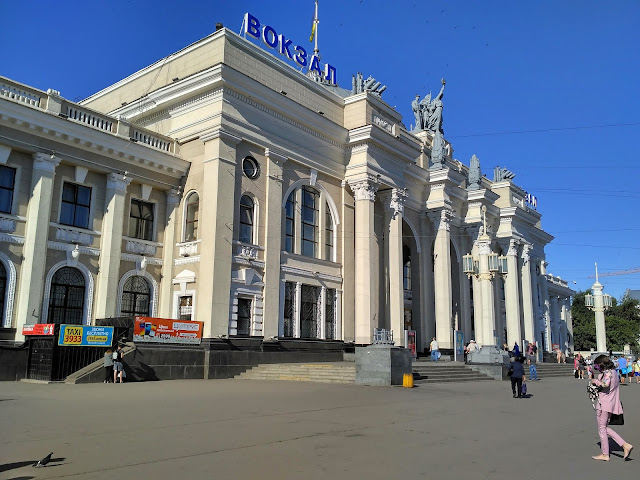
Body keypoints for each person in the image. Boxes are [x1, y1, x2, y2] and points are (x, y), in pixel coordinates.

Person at [590, 355, 633, 461]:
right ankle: (623, 445)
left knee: (602, 427)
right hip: (611, 402)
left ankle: (607, 453)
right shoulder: (614, 372)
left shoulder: (608, 373)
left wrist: (595, 381)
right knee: (603, 427)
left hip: (604, 403)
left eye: (597, 365)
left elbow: (605, 384)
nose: (597, 368)